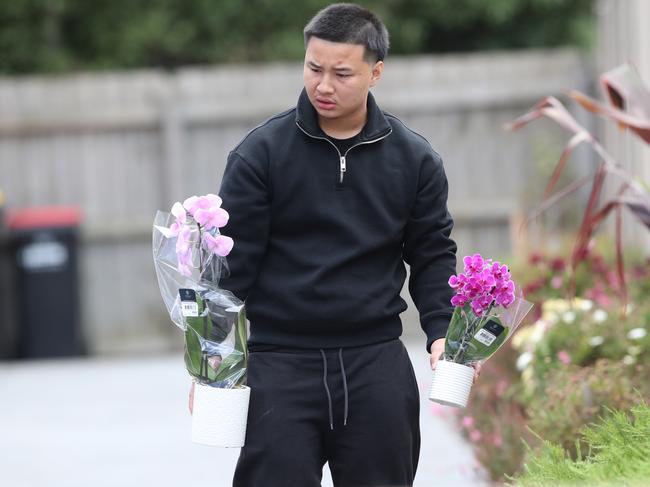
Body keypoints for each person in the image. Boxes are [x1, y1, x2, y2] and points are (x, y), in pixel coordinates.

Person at [191, 3, 479, 486]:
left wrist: (442, 331)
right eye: (313, 68)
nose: (323, 85)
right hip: (279, 363)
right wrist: (210, 357)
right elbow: (230, 267)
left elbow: (431, 254)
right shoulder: (260, 153)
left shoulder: (414, 159)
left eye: (342, 73)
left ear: (376, 72)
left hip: (376, 361)